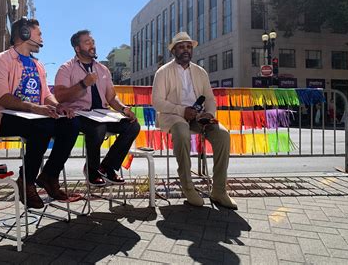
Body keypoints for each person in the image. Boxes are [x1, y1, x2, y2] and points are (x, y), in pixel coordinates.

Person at [0, 18, 79, 209]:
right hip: (4, 116)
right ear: (25, 33)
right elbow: (2, 98)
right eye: (39, 34)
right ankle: (26, 181)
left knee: (71, 123)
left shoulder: (39, 65)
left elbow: (46, 95)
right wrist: (35, 108)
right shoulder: (0, 60)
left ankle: (49, 175)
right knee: (42, 126)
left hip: (35, 117)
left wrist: (58, 106)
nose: (42, 38)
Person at [152, 32, 237, 210]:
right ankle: (188, 187)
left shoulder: (200, 72)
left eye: (188, 47)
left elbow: (210, 99)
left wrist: (209, 114)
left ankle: (219, 190)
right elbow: (157, 102)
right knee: (182, 131)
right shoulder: (163, 72)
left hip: (199, 117)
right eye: (181, 47)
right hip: (173, 115)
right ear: (174, 50)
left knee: (223, 135)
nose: (186, 50)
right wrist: (182, 110)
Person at [54, 30, 140, 186]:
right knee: (98, 128)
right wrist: (83, 84)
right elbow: (60, 96)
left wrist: (123, 109)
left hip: (102, 113)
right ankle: (92, 169)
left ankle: (107, 167)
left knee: (133, 125)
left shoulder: (103, 69)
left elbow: (111, 97)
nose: (92, 45)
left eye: (93, 42)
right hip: (79, 114)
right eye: (87, 42)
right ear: (77, 48)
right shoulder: (66, 68)